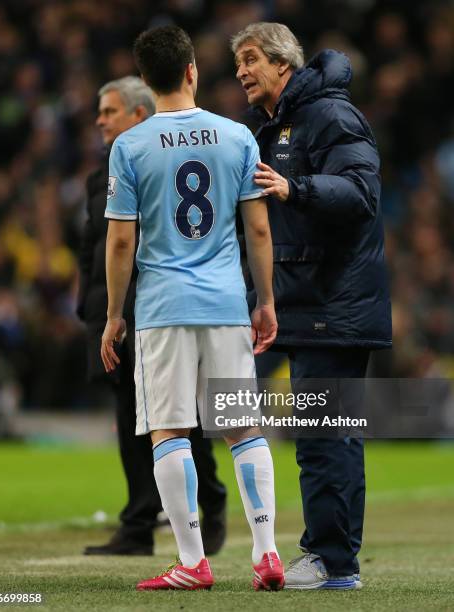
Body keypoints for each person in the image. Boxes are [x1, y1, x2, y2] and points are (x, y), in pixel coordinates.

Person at [101, 25, 283, 592]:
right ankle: (267, 552)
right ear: (191, 72)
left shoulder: (129, 146)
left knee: (169, 430)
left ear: (147, 81)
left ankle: (192, 561)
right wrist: (267, 300)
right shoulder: (236, 137)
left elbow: (121, 242)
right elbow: (257, 227)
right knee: (242, 428)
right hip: (227, 304)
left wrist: (113, 315)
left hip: (163, 308)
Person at [232, 23, 392, 590]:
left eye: (251, 59)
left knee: (328, 436)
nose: (242, 71)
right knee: (316, 435)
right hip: (304, 304)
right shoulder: (273, 125)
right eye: (237, 63)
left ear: (283, 63)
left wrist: (295, 187)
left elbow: (363, 193)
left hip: (336, 303)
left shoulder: (331, 116)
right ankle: (326, 556)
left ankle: (334, 562)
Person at [77, 76, 227, 557]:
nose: (100, 119)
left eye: (109, 110)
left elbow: (143, 241)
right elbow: (93, 246)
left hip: (157, 307)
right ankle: (140, 522)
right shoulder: (101, 173)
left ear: (139, 115)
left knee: (179, 416)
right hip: (114, 309)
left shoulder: (154, 161)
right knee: (130, 419)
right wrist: (93, 307)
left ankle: (212, 498)